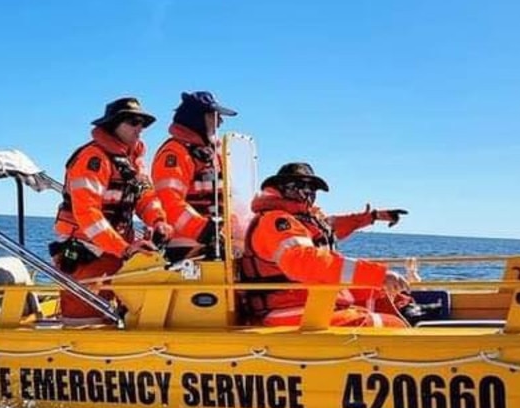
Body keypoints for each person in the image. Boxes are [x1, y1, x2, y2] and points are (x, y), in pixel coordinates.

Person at [238, 162, 412, 327]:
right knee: (389, 326)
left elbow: (330, 228)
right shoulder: (276, 221)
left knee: (377, 292)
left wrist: (374, 216)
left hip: (310, 298)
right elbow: (304, 262)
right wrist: (377, 274)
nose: (307, 193)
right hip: (285, 306)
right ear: (283, 188)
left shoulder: (302, 219)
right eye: (301, 186)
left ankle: (410, 311)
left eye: (312, 188)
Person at [51, 96, 168, 321]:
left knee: (127, 317)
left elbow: (145, 197)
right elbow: (87, 214)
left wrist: (158, 221)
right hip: (88, 253)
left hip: (119, 251)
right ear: (114, 125)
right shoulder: (92, 159)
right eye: (133, 122)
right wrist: (124, 249)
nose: (140, 128)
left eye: (142, 123)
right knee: (84, 321)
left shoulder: (134, 162)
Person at [150, 91, 238, 262]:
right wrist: (205, 231)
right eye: (215, 116)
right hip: (187, 249)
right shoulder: (175, 153)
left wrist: (238, 227)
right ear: (197, 119)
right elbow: (168, 201)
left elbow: (228, 199)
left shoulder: (214, 154)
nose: (220, 122)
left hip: (217, 245)